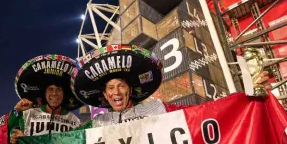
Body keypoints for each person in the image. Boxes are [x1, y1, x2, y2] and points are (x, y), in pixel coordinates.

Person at [72, 45, 271, 128]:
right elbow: (64, 142)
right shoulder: (98, 123)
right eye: (110, 88)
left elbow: (203, 113)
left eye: (121, 86)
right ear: (105, 96)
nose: (116, 92)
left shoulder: (157, 108)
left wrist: (243, 98)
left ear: (130, 90)